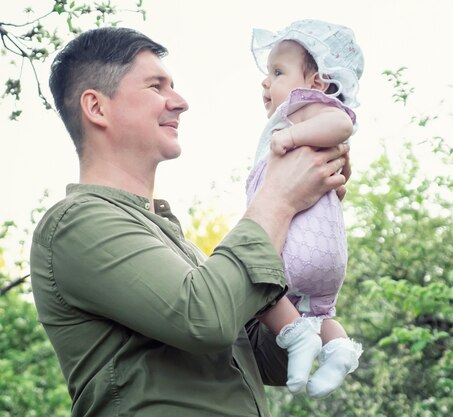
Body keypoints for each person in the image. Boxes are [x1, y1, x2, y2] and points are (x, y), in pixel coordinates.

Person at [29, 26, 350, 417]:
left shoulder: (182, 249)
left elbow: (269, 358)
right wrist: (279, 198)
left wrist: (310, 216)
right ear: (97, 108)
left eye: (173, 87)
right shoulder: (76, 224)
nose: (179, 102)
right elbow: (204, 318)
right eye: (156, 87)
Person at [246, 19, 364, 399]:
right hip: (327, 254)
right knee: (321, 315)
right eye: (267, 73)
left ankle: (298, 340)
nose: (267, 82)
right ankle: (339, 349)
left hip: (296, 251)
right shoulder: (296, 120)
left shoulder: (305, 109)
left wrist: (292, 135)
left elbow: (342, 122)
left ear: (318, 82)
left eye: (278, 72)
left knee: (255, 286)